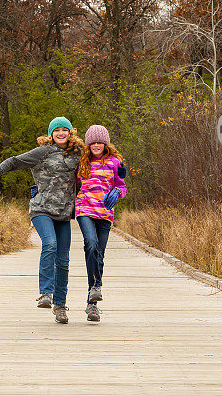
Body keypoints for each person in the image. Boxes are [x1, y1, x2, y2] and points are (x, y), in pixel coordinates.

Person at [0, 116, 84, 324]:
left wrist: (117, 174)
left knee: (63, 261)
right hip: (41, 209)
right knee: (50, 244)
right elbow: (15, 161)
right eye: (57, 130)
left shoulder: (77, 155)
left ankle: (60, 306)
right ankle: (46, 293)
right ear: (51, 133)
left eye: (65, 130)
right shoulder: (43, 152)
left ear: (70, 132)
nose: (61, 133)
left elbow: (98, 164)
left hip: (64, 212)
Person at [74, 124, 127, 322]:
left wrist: (117, 192)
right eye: (93, 142)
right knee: (91, 244)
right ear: (88, 145)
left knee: (99, 255)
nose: (96, 145)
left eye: (100, 142)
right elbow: (67, 181)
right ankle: (96, 286)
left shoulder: (115, 162)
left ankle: (92, 305)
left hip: (105, 212)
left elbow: (122, 187)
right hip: (85, 209)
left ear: (106, 144)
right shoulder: (82, 163)